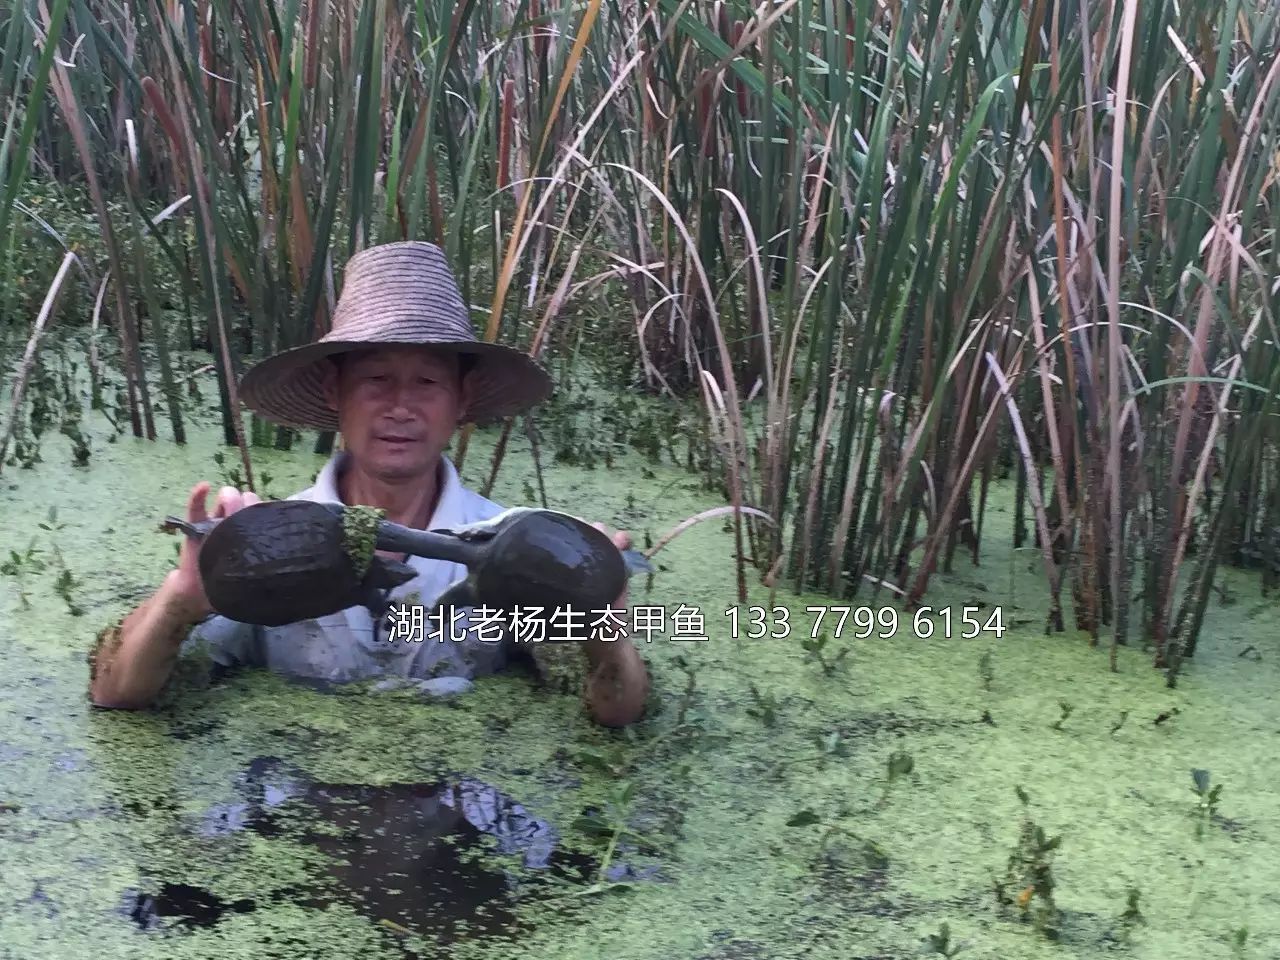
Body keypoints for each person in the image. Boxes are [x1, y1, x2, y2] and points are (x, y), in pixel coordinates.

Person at [88, 241, 650, 727]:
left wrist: (605, 620)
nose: (400, 407)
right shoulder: (262, 545)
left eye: (427, 381)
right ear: (335, 395)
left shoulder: (518, 551)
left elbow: (614, 713)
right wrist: (181, 601)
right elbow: (114, 694)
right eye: (376, 380)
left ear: (463, 400)